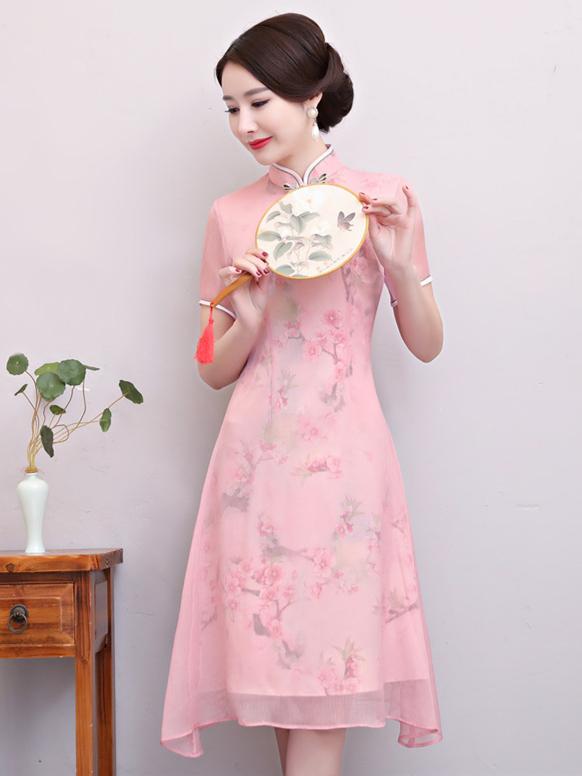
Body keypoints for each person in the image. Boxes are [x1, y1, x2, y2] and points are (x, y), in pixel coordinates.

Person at [161, 12, 444, 776]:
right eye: (231, 108)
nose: (244, 124)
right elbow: (212, 368)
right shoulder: (230, 214)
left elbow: (426, 343)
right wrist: (249, 317)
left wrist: (398, 263)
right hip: (253, 471)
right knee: (282, 690)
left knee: (327, 678)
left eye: (259, 102)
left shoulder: (382, 200)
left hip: (345, 471)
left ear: (313, 95)